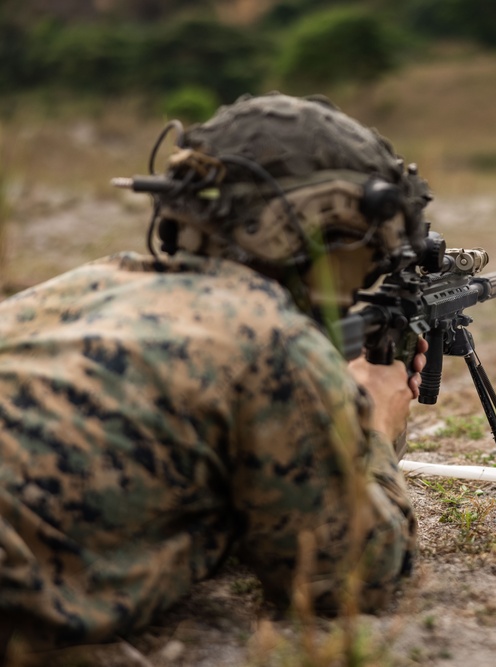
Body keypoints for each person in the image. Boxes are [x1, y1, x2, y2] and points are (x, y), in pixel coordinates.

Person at [0, 93, 429, 658]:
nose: (374, 262)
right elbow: (346, 571)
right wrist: (373, 427)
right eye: (365, 243)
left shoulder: (79, 286)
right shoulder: (267, 339)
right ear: (316, 225)